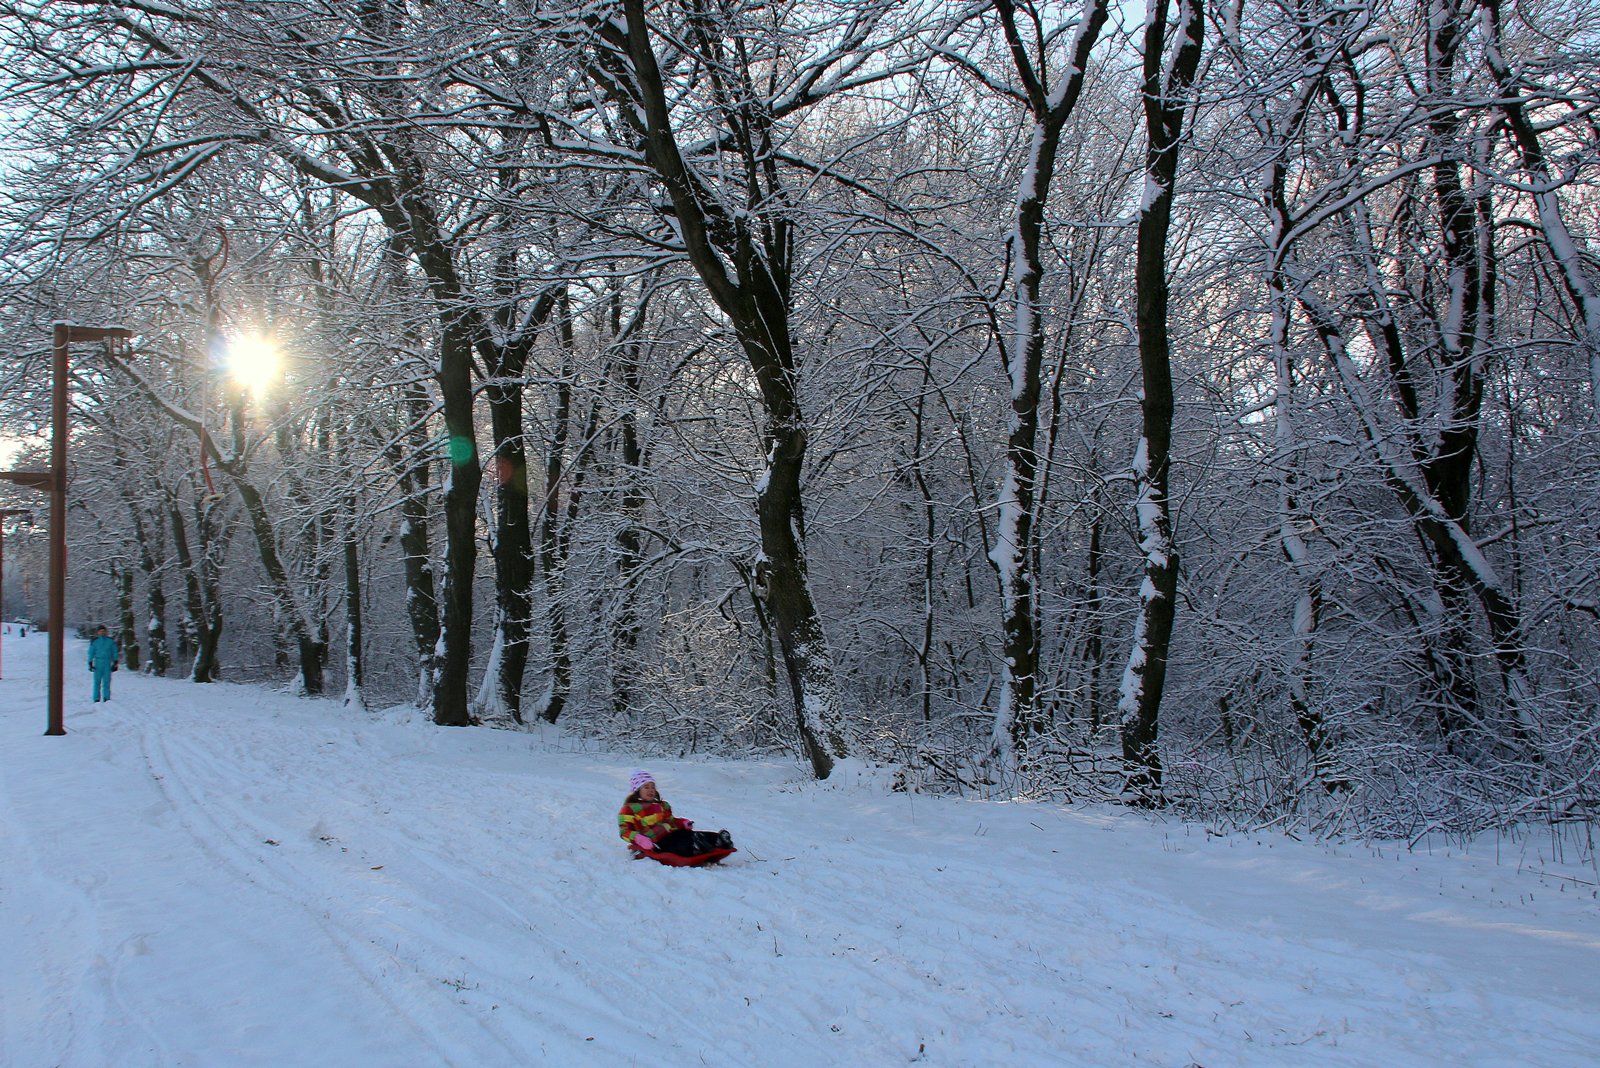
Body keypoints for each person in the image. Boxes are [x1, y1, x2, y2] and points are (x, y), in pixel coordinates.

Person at [618, 770, 734, 857]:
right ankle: (696, 847)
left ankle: (719, 840)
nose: (651, 790)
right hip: (655, 841)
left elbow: (671, 821)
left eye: (653, 787)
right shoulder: (629, 809)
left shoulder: (662, 805)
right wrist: (639, 839)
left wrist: (682, 823)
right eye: (646, 787)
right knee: (679, 844)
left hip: (672, 833)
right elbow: (625, 831)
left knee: (691, 835)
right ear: (637, 791)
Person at [87, 624, 120, 702]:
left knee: (107, 682)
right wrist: (90, 662)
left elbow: (114, 652)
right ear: (98, 632)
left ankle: (106, 698)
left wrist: (115, 662)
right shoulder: (95, 642)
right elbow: (91, 653)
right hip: (98, 663)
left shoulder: (110, 641)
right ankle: (96, 698)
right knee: (97, 682)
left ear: (106, 632)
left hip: (107, 663)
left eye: (103, 631)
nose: (102, 633)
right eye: (100, 631)